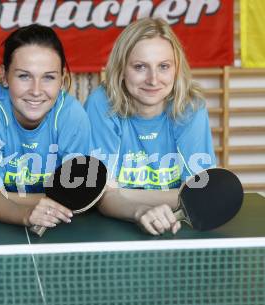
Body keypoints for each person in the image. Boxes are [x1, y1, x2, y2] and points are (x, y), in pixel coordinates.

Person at [84, 17, 216, 235]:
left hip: (176, 227)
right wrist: (141, 209)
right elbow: (99, 195)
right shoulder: (101, 103)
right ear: (121, 69)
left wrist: (121, 194)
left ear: (176, 69)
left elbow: (201, 194)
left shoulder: (191, 107)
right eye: (140, 67)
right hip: (112, 230)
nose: (153, 80)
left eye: (163, 66)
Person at [0, 24, 91, 229]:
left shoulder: (72, 116)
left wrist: (9, 198)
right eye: (24, 76)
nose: (36, 90)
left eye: (48, 77)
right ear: (4, 76)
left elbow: (76, 199)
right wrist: (27, 215)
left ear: (62, 79)